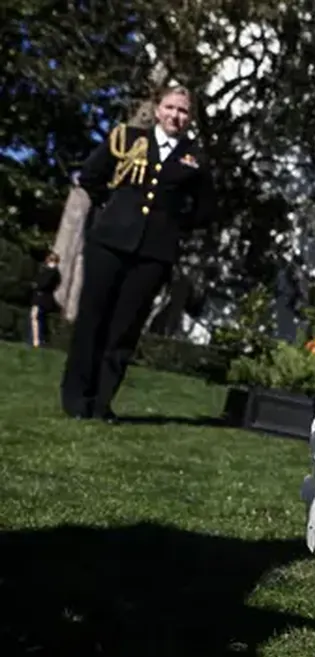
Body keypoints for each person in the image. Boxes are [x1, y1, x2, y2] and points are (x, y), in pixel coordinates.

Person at [60, 85, 216, 422]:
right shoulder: (128, 139)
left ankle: (101, 403)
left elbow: (204, 211)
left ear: (190, 118)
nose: (176, 115)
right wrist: (113, 211)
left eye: (183, 111)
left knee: (124, 328)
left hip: (153, 254)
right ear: (158, 110)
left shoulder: (196, 158)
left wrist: (173, 227)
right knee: (92, 320)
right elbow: (91, 177)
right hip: (110, 243)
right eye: (171, 107)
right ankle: (76, 399)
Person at [29, 251, 62, 348]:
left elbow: (45, 283)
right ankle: (36, 340)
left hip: (42, 298)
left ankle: (36, 341)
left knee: (36, 317)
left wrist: (37, 285)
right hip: (40, 297)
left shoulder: (52, 272)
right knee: (37, 318)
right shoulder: (47, 270)